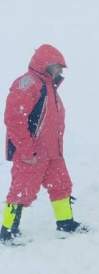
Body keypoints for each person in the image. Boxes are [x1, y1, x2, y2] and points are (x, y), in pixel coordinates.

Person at [0, 44, 87, 243]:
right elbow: (14, 119)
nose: (60, 71)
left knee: (61, 185)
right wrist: (27, 150)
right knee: (21, 191)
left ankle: (65, 222)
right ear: (46, 63)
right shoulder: (28, 83)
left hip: (52, 153)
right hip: (32, 153)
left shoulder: (48, 86)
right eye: (58, 66)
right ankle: (8, 231)